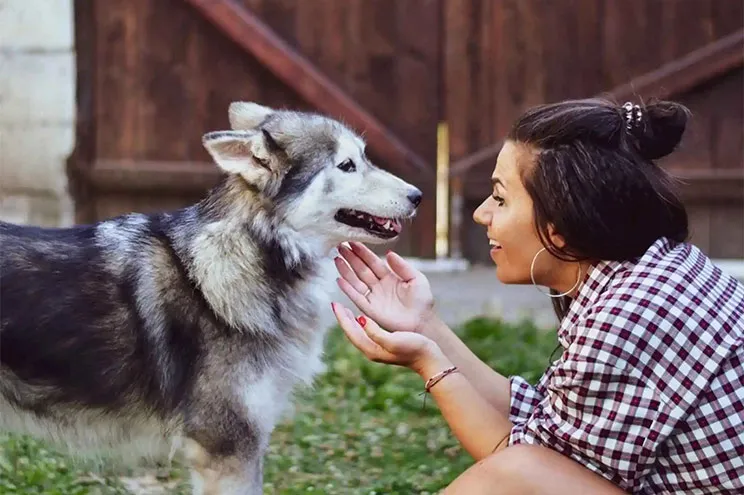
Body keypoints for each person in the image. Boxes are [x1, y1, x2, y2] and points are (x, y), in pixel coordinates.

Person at [330, 98, 744, 494]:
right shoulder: (647, 276)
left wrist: (429, 363)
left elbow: (527, 473)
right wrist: (426, 327)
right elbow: (541, 420)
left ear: (560, 223)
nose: (482, 214)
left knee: (510, 475)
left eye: (500, 198)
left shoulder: (631, 315)